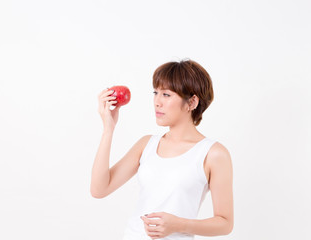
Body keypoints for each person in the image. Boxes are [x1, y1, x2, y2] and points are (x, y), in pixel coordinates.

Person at [91, 59, 234, 240]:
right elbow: (99, 189)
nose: (157, 102)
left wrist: (179, 225)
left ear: (192, 102)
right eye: (155, 92)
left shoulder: (213, 154)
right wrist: (108, 129)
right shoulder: (146, 144)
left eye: (166, 95)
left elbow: (225, 223)